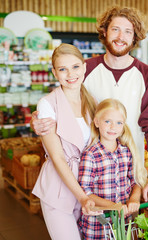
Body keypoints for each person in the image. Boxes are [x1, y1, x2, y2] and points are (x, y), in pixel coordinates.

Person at [31, 6, 148, 210]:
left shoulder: (147, 75)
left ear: (135, 36)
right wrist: (37, 119)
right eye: (115, 29)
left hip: (130, 175)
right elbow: (59, 102)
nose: (121, 37)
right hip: (93, 174)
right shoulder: (85, 68)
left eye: (128, 31)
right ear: (104, 31)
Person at [32, 43, 100, 240]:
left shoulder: (93, 101)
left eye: (75, 67)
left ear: (84, 67)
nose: (70, 74)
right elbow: (58, 157)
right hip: (59, 188)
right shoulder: (47, 105)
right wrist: (82, 196)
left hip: (89, 185)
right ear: (54, 73)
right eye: (62, 69)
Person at [78, 98, 147, 239]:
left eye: (118, 123)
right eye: (107, 121)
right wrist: (113, 206)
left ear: (123, 126)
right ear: (97, 122)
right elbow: (85, 192)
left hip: (123, 225)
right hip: (98, 226)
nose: (113, 127)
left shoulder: (126, 152)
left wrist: (134, 199)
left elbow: (135, 181)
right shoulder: (90, 155)